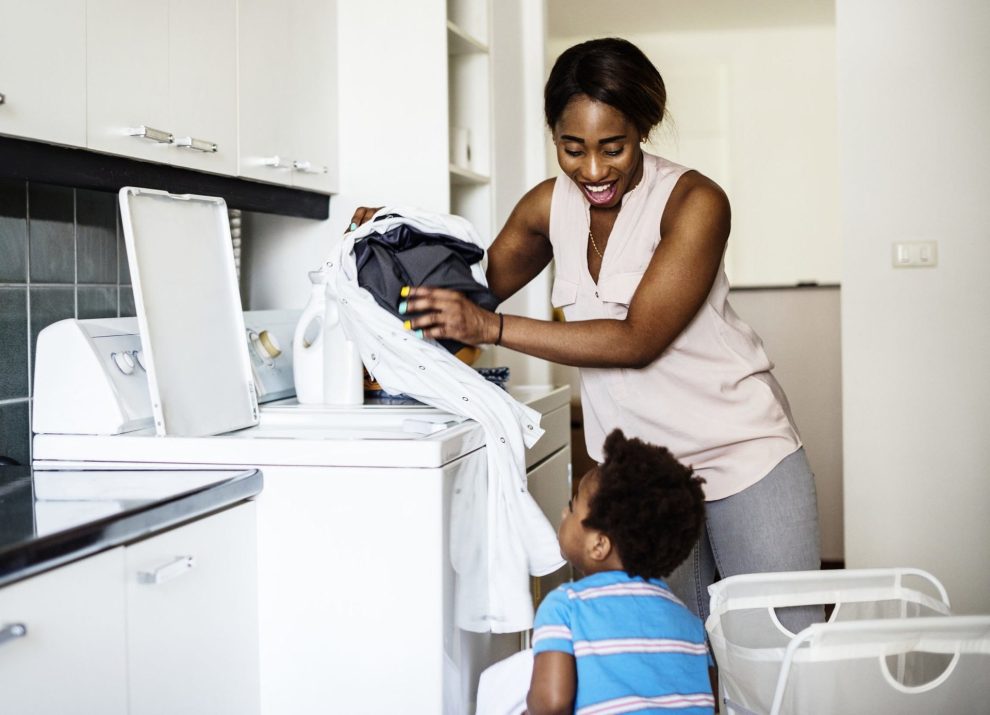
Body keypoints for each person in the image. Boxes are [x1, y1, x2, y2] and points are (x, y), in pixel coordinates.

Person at [350, 37, 822, 630]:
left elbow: (638, 339)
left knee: (779, 656)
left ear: (644, 127)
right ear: (554, 137)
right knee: (661, 664)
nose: (593, 171)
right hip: (639, 479)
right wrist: (391, 237)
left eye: (613, 148)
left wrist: (491, 328)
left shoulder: (696, 202)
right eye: (572, 149)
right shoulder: (546, 209)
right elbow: (464, 295)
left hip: (743, 455)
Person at [524, 428, 713, 715]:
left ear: (598, 545)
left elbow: (552, 703)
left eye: (572, 508)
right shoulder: (690, 622)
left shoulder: (566, 606)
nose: (564, 515)